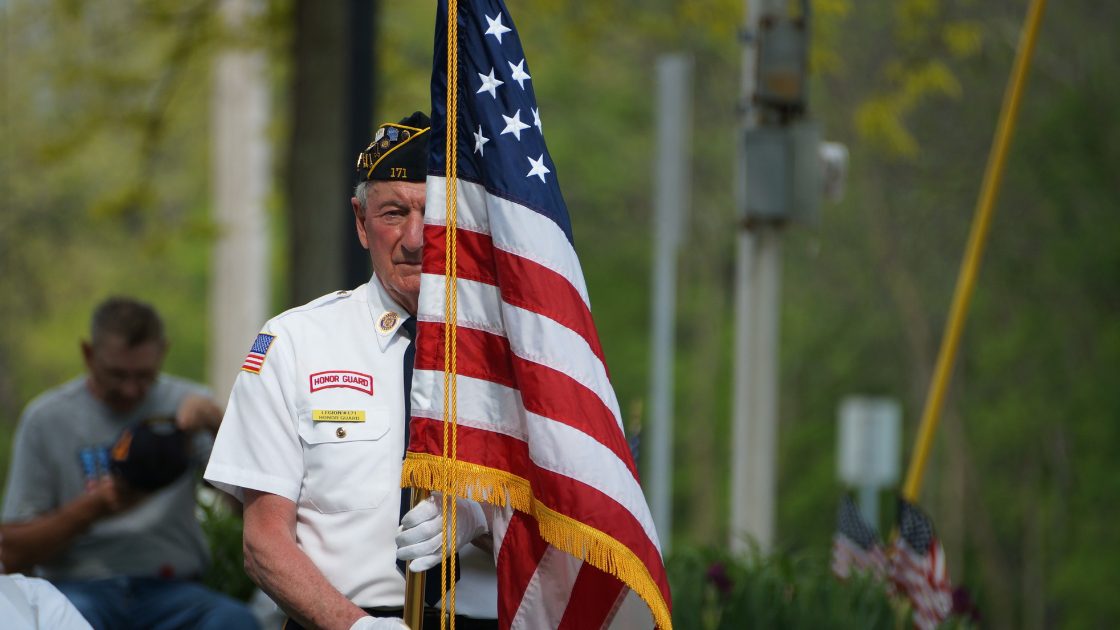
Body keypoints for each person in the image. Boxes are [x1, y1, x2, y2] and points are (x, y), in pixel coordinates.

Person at [204, 112, 498, 630]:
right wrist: (356, 627)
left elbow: (568, 524)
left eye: (431, 214)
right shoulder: (295, 344)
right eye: (392, 213)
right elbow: (263, 541)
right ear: (361, 223)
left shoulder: (510, 354)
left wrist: (478, 519)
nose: (413, 238)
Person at [0, 296, 259, 630]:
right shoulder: (46, 419)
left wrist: (218, 425)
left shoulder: (187, 405)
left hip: (173, 590)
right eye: (117, 374)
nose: (131, 389)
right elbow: (11, 550)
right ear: (88, 355)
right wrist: (96, 507)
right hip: (77, 589)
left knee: (235, 622)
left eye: (144, 375)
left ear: (163, 352)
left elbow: (250, 510)